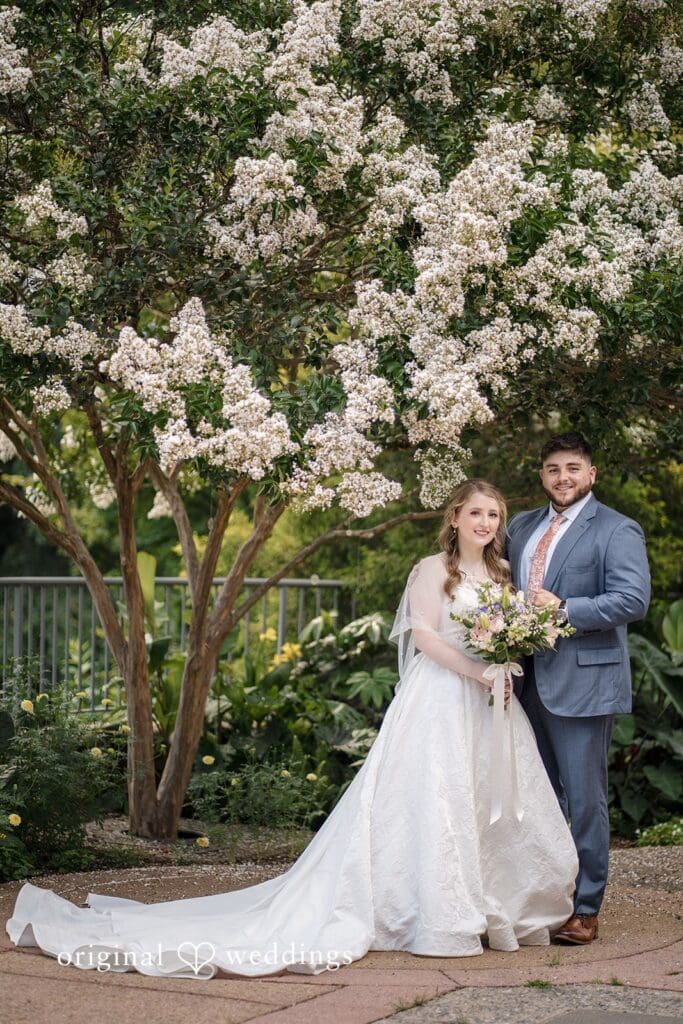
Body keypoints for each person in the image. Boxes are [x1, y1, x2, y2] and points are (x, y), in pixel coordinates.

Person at [6, 480, 578, 980]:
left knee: (485, 799)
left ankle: (489, 905)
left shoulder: (503, 573)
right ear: (454, 518)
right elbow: (426, 637)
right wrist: (479, 670)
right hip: (442, 699)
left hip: (490, 705)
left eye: (494, 515)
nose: (485, 523)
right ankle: (435, 913)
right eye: (475, 512)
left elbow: (504, 629)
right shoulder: (433, 570)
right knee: (437, 799)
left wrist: (505, 661)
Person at [507, 433, 650, 945]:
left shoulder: (616, 529)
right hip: (523, 685)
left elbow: (632, 599)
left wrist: (564, 608)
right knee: (532, 798)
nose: (562, 477)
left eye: (573, 467)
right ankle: (539, 901)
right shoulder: (521, 527)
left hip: (584, 683)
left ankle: (585, 908)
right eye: (552, 469)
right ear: (541, 476)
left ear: (591, 473)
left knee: (585, 800)